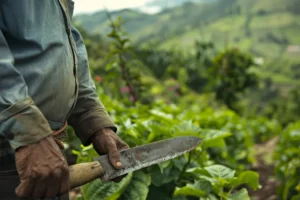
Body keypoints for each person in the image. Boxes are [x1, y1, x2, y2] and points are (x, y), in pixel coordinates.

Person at [0, 0, 129, 199]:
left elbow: (66, 47)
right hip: (15, 154)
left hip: (46, 157)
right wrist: (27, 130)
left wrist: (94, 121)